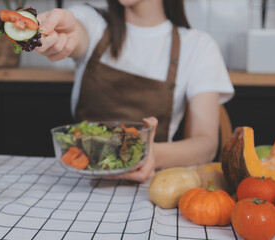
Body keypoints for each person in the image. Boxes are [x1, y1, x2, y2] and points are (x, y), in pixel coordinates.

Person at [36, 0, 234, 182]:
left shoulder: (198, 46)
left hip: (149, 186)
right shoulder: (92, 22)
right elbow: (75, 28)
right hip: (80, 180)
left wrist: (150, 154)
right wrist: (63, 31)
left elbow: (206, 144)